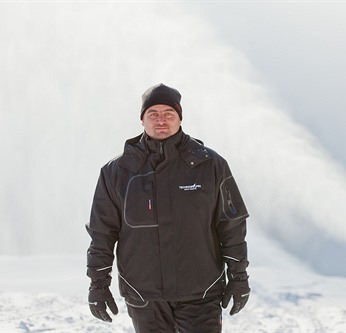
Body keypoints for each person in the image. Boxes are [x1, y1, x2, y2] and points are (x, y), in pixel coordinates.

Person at [85, 83, 250, 332]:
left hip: (201, 291)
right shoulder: (117, 172)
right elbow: (102, 233)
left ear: (180, 118)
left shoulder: (210, 165)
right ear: (142, 120)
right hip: (144, 295)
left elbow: (232, 225)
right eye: (153, 114)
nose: (161, 120)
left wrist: (239, 278)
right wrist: (98, 284)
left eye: (168, 114)